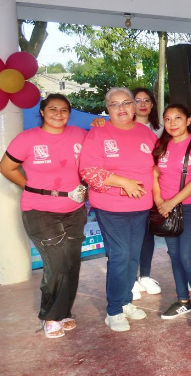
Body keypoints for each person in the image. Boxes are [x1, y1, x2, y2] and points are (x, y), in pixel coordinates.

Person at [0, 94, 87, 339]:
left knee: (72, 263)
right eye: (52, 109)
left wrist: (100, 124)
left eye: (63, 110)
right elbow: (6, 167)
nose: (58, 114)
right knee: (57, 264)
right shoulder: (27, 139)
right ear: (42, 112)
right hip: (39, 211)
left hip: (74, 210)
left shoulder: (79, 134)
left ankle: (64, 311)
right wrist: (32, 187)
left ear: (69, 114)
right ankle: (50, 316)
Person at [79, 87, 157, 332]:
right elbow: (88, 170)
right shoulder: (98, 133)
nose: (121, 108)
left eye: (126, 103)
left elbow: (158, 167)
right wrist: (124, 182)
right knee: (120, 255)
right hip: (111, 207)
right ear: (107, 109)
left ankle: (125, 302)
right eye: (115, 104)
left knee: (133, 256)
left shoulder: (146, 134)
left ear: (134, 107)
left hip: (141, 206)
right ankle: (113, 311)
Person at [152, 105, 191, 328]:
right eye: (168, 119)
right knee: (175, 256)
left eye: (178, 118)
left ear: (188, 121)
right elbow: (154, 175)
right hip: (166, 209)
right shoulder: (161, 145)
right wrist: (159, 201)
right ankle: (183, 301)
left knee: (187, 257)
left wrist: (171, 202)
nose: (172, 123)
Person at [130, 87, 162, 300]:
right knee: (131, 236)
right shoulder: (121, 128)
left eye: (147, 100)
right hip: (129, 191)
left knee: (148, 234)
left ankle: (146, 276)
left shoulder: (161, 130)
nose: (142, 104)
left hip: (153, 190)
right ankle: (130, 278)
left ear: (152, 105)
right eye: (137, 100)